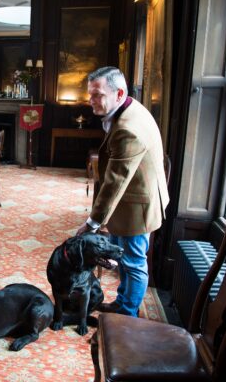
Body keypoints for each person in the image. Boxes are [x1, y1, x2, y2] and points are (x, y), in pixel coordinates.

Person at [76, 66, 169, 317]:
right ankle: (122, 302)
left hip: (137, 206)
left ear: (118, 94)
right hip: (130, 199)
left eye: (97, 95)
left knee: (133, 263)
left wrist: (93, 223)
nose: (91, 100)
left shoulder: (129, 127)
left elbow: (115, 181)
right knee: (123, 260)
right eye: (90, 94)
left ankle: (127, 316)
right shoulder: (127, 107)